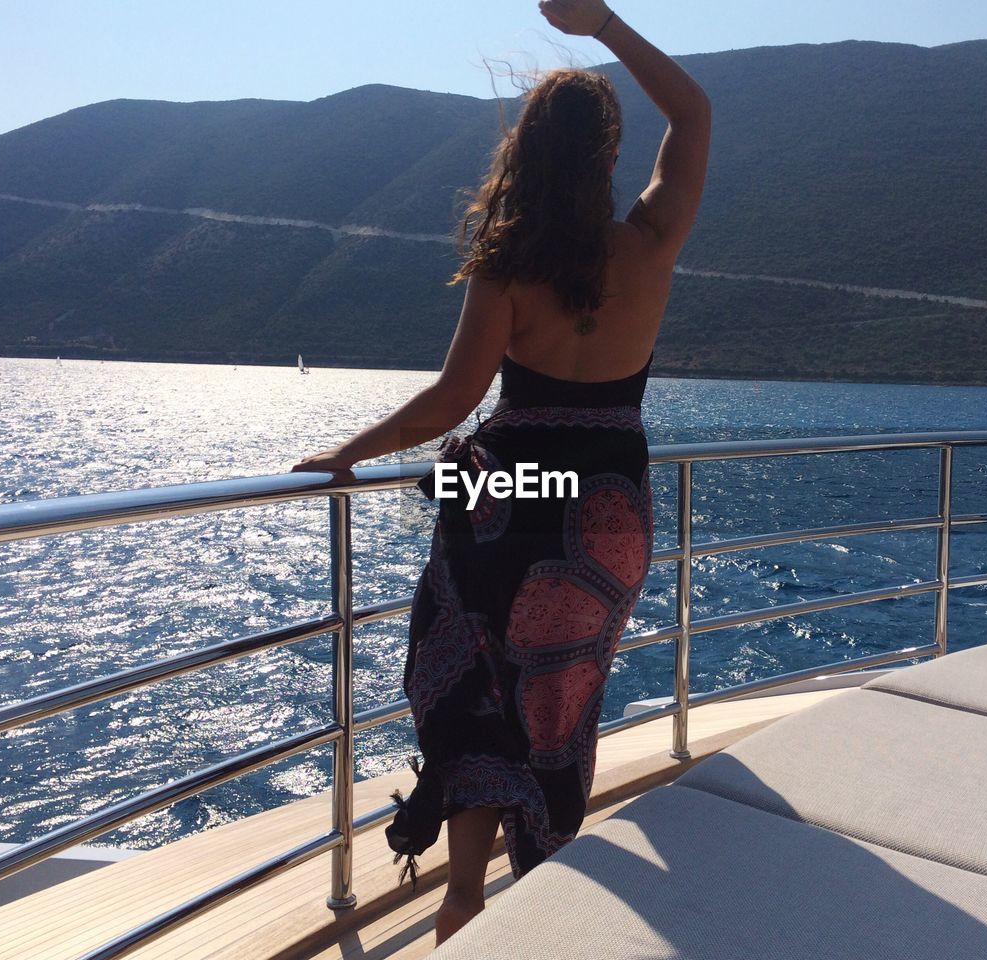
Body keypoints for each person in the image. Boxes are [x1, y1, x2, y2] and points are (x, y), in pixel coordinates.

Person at [292, 0, 709, 944]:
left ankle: (466, 893)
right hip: (606, 514)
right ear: (607, 155)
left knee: (482, 687)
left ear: (526, 155)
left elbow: (449, 403)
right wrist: (604, 25)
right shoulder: (648, 245)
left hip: (508, 503)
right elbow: (693, 116)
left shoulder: (506, 266)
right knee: (558, 697)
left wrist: (350, 452)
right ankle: (542, 890)